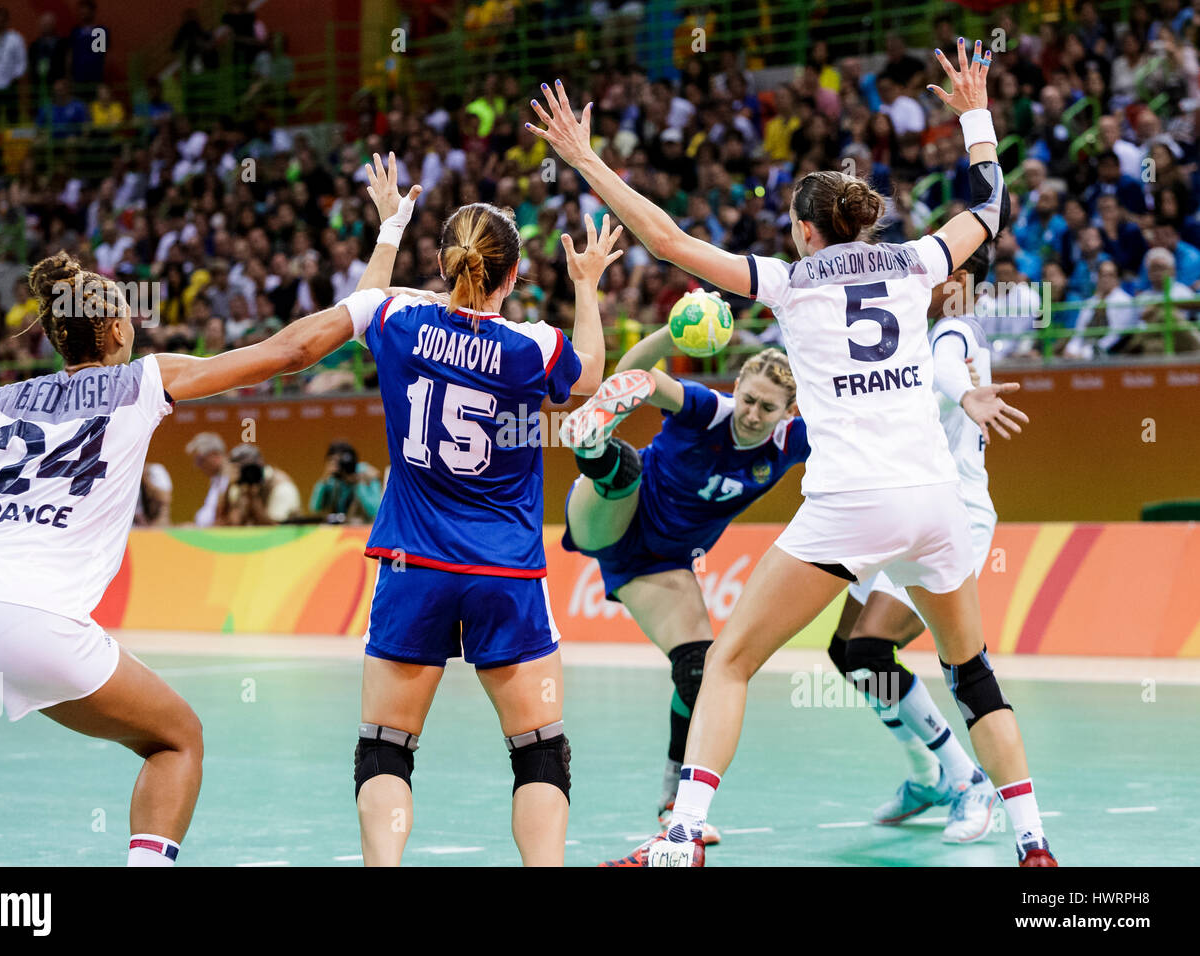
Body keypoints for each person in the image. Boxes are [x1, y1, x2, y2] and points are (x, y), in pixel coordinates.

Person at [531, 40, 1055, 867]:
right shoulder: (918, 261)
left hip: (854, 505)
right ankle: (1034, 842)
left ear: (806, 230)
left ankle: (682, 834)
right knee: (972, 671)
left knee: (731, 662)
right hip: (935, 500)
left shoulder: (791, 280)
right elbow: (989, 207)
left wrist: (585, 158)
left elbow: (665, 239)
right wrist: (974, 116)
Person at [0, 155, 415, 866]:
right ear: (113, 332)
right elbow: (291, 349)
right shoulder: (147, 380)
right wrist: (377, 278)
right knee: (177, 739)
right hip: (35, 622)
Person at [336, 157, 611, 866]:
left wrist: (389, 227)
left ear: (443, 260)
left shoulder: (398, 320)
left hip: (412, 562)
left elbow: (357, 308)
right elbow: (590, 378)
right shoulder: (534, 346)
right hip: (505, 570)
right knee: (540, 752)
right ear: (513, 276)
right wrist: (586, 287)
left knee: (385, 749)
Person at [554, 328, 809, 864]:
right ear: (735, 386)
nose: (754, 414)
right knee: (624, 468)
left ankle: (676, 800)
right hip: (613, 514)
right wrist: (670, 335)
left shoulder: (790, 443)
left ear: (790, 410)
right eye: (749, 399)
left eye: (768, 407)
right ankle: (591, 443)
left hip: (660, 565)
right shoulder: (705, 410)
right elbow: (640, 377)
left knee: (700, 672)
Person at [826, 245, 1001, 843]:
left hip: (949, 517)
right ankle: (928, 773)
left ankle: (969, 779)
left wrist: (969, 394)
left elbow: (950, 366)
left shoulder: (956, 329)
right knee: (845, 651)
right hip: (898, 509)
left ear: (959, 278)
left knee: (875, 648)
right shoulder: (911, 336)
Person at [217, 442, 301, 525]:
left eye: (251, 468)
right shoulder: (239, 485)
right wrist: (228, 486)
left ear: (262, 465)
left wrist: (253, 498)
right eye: (241, 469)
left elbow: (276, 529)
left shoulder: (281, 487)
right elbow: (226, 523)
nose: (248, 474)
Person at [309, 441, 383, 524]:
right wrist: (323, 481)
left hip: (364, 529)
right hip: (340, 530)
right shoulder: (333, 480)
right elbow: (315, 509)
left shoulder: (366, 475)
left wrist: (359, 484)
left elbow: (375, 511)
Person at [185, 431, 229, 527]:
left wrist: (197, 530)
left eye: (200, 460)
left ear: (215, 455)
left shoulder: (231, 480)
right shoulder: (217, 480)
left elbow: (229, 521)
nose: (197, 466)